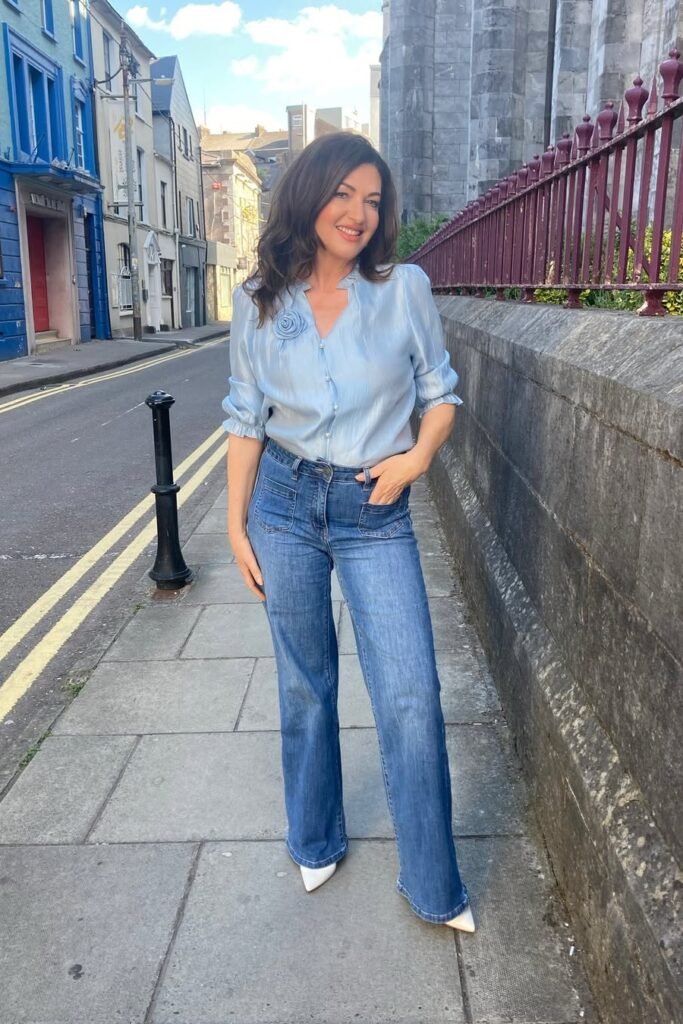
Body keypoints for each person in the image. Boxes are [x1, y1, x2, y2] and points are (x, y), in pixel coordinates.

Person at [223, 131, 475, 932]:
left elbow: (440, 393)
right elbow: (244, 417)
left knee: (408, 693)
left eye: (371, 200)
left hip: (375, 511)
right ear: (309, 194)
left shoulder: (403, 289)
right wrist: (234, 525)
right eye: (343, 195)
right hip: (284, 507)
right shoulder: (259, 298)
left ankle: (434, 884)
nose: (358, 214)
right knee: (304, 684)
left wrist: (415, 462)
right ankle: (314, 835)